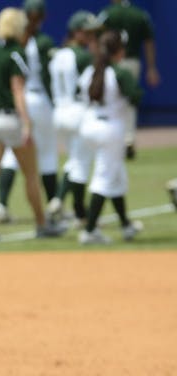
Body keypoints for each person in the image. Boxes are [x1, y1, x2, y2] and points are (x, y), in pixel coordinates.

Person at [0, 7, 64, 242]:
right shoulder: (16, 54)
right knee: (31, 174)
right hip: (11, 119)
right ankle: (42, 224)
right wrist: (27, 123)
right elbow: (17, 90)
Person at [0, 0, 59, 226]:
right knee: (47, 153)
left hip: (16, 101)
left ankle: (1, 203)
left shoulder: (5, 47)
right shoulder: (41, 42)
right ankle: (53, 204)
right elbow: (48, 77)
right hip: (37, 98)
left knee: (11, 155)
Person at [76, 30, 144, 244]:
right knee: (104, 178)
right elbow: (136, 97)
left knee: (116, 176)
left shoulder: (91, 70)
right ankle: (89, 230)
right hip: (109, 128)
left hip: (89, 125)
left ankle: (126, 225)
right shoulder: (119, 72)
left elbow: (76, 93)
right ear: (119, 51)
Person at [49, 11, 100, 225]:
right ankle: (79, 212)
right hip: (78, 111)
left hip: (59, 111)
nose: (91, 37)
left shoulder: (58, 54)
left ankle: (61, 200)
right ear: (77, 32)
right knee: (81, 164)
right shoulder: (82, 56)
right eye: (88, 33)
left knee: (74, 160)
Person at [97, 0, 159, 158]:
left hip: (111, 62)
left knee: (109, 98)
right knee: (128, 101)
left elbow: (96, 34)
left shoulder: (108, 13)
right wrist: (152, 67)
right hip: (132, 62)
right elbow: (149, 41)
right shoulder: (140, 14)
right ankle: (128, 139)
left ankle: (111, 139)